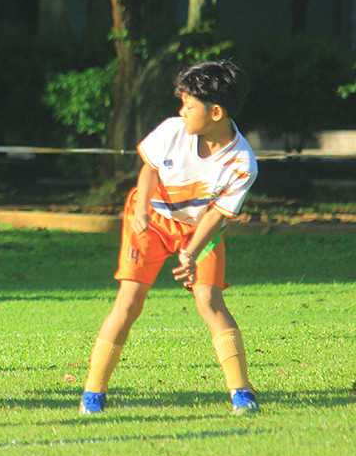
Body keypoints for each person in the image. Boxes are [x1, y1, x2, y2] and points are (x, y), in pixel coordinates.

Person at [80, 60, 260, 415]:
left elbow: (215, 217)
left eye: (189, 105)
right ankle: (93, 393)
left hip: (199, 229)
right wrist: (143, 209)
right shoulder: (172, 130)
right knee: (129, 301)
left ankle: (241, 392)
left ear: (216, 112)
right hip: (151, 219)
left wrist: (191, 252)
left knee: (210, 301)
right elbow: (149, 170)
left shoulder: (242, 162)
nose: (182, 111)